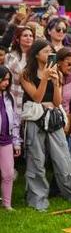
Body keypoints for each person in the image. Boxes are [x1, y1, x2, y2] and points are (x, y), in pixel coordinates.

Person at [20, 40, 71, 210]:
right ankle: (38, 200)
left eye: (51, 52)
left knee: (63, 159)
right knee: (37, 160)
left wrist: (56, 82)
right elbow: (36, 97)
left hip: (54, 117)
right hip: (35, 118)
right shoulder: (26, 73)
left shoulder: (56, 70)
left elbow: (57, 102)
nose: (49, 54)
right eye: (45, 52)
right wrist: (44, 79)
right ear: (36, 54)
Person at [0, 66, 21, 210]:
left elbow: (15, 121)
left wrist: (16, 142)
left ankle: (7, 204)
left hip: (6, 139)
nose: (6, 82)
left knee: (8, 173)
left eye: (8, 79)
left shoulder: (9, 97)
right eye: (3, 79)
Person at [56, 47, 71, 140]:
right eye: (69, 64)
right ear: (59, 62)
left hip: (66, 124)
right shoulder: (50, 77)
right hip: (51, 123)